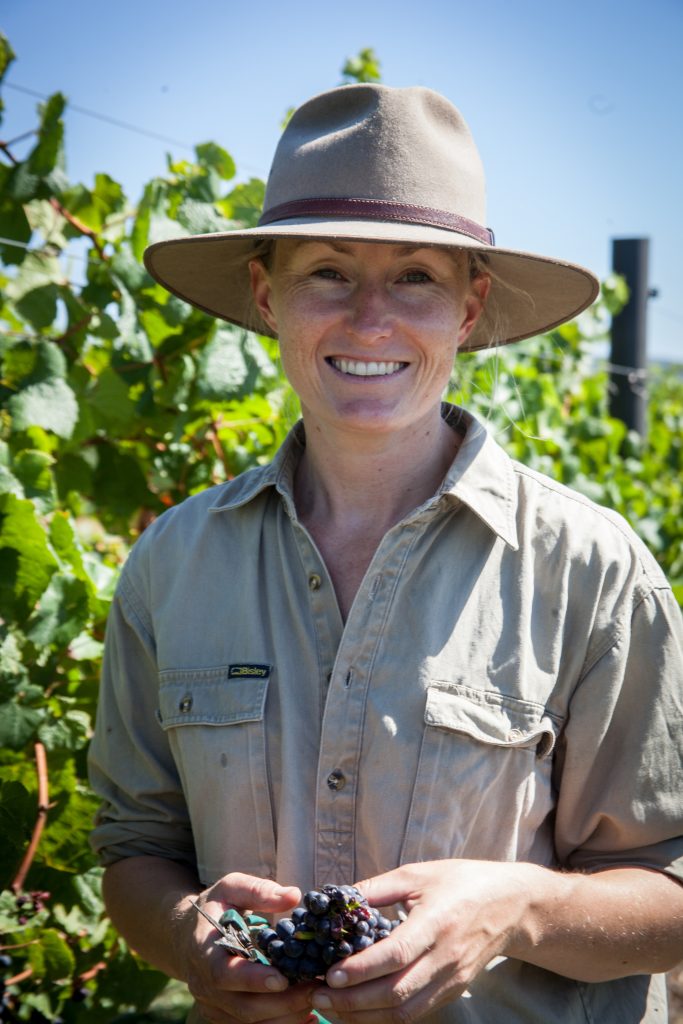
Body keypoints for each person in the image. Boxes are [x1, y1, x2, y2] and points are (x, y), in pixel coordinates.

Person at [88, 83, 683, 1024]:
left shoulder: (591, 570)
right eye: (327, 272)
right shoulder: (172, 565)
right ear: (266, 295)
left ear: (468, 310)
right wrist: (186, 934)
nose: (370, 320)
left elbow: (669, 891)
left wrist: (513, 910)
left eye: (415, 278)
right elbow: (135, 851)